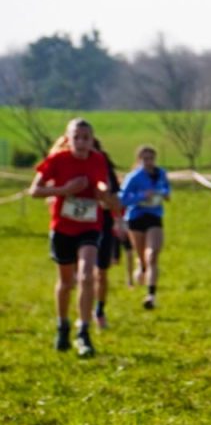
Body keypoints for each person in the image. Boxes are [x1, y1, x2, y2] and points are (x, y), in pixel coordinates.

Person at [29, 118, 121, 357]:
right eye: (76, 138)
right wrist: (64, 190)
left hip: (90, 225)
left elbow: (106, 191)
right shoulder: (57, 160)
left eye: (86, 138)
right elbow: (34, 191)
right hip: (62, 227)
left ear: (92, 140)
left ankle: (84, 332)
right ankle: (63, 326)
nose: (81, 142)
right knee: (66, 283)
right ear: (68, 139)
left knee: (87, 275)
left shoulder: (98, 159)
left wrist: (104, 195)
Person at [121, 145, 171, 309]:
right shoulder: (134, 177)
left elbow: (166, 187)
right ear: (139, 160)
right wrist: (142, 196)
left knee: (152, 255)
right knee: (142, 256)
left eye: (151, 158)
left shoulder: (161, 173)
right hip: (136, 218)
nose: (149, 162)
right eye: (145, 159)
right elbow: (122, 199)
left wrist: (164, 193)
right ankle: (141, 267)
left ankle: (151, 295)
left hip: (154, 216)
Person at [92, 138, 125, 329]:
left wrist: (119, 220)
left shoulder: (104, 166)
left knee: (101, 272)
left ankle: (99, 310)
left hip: (103, 223)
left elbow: (115, 198)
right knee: (84, 272)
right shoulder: (68, 163)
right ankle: (84, 312)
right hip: (76, 225)